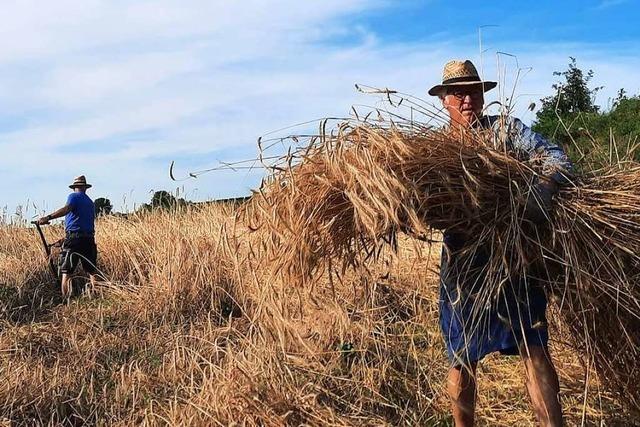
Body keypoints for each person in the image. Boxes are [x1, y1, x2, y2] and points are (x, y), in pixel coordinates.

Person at [428, 60, 571, 427]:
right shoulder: (431, 152)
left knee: (533, 348)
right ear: (444, 100)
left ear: (483, 95)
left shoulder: (506, 132)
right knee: (461, 358)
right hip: (463, 270)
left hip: (515, 260)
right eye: (458, 92)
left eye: (474, 91)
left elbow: (556, 157)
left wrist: (543, 189)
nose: (467, 99)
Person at [38, 175, 99, 298]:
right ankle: (97, 297)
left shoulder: (73, 197)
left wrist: (48, 217)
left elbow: (67, 209)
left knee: (66, 272)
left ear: (74, 187)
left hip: (74, 239)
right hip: (88, 239)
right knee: (92, 271)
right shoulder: (90, 202)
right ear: (85, 188)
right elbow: (82, 223)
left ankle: (66, 301)